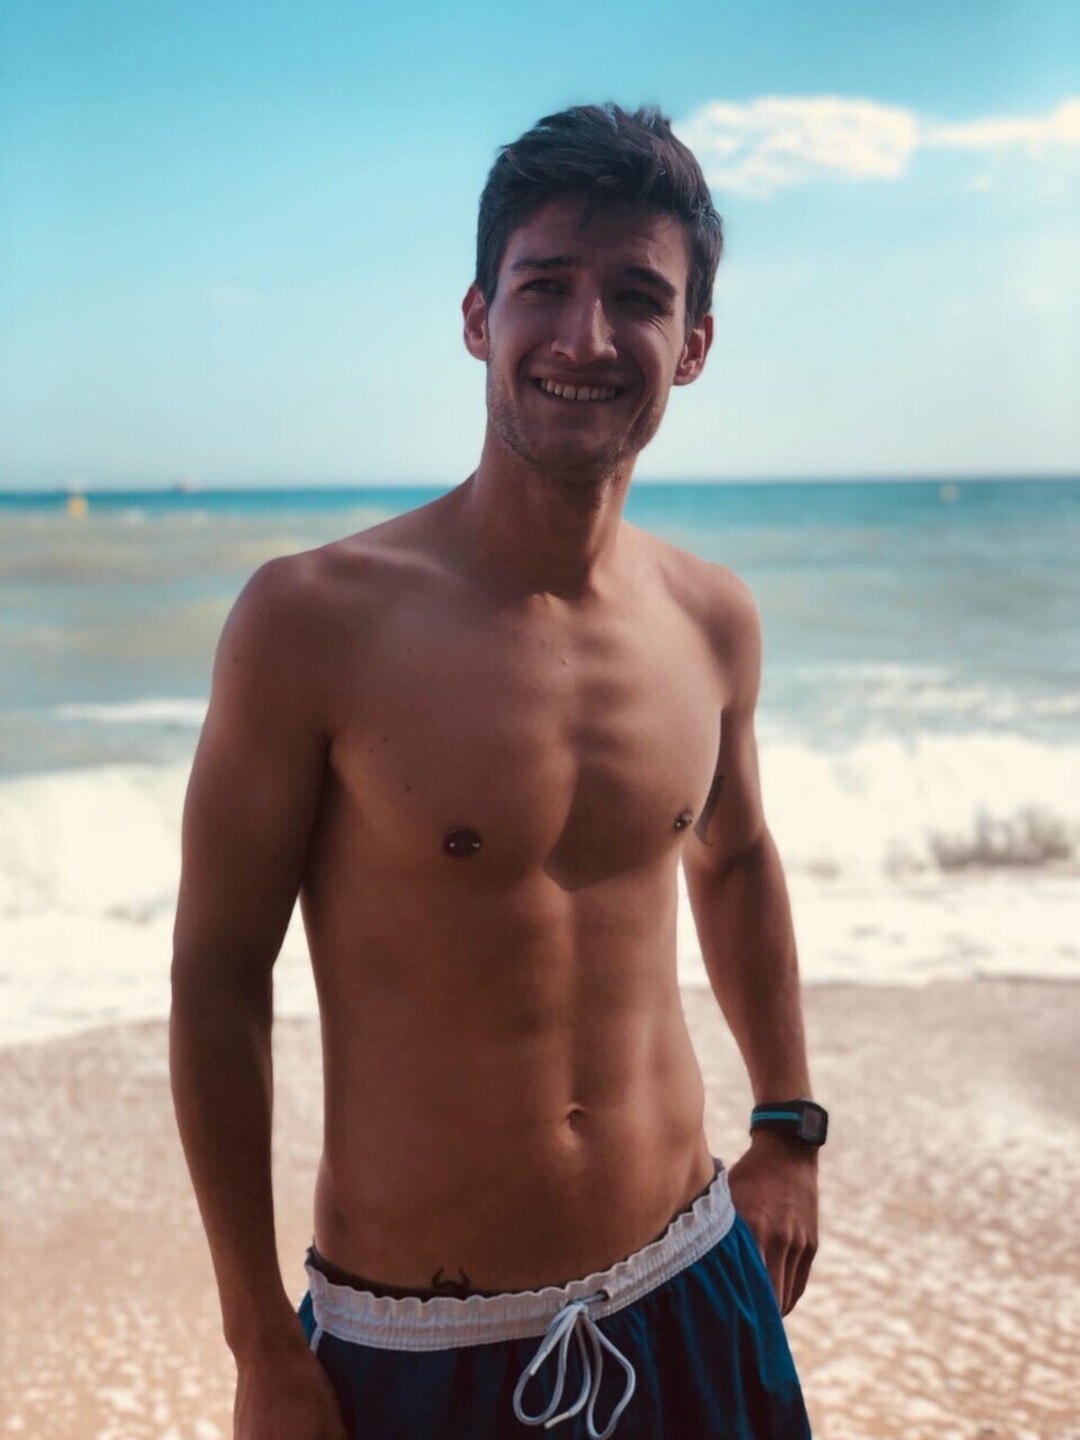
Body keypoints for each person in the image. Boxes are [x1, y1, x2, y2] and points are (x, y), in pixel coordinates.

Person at [170, 103, 823, 1440]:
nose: (587, 336)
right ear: (478, 318)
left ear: (694, 345)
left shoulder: (711, 619)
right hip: (422, 1350)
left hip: (692, 1284)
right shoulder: (312, 621)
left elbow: (738, 855)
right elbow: (218, 975)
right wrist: (259, 1343)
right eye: (545, 286)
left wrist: (789, 1127)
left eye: (637, 297)